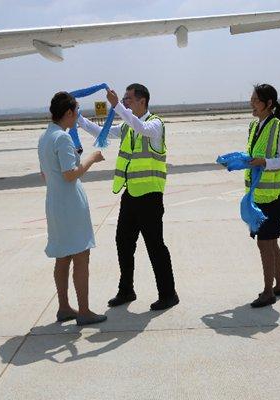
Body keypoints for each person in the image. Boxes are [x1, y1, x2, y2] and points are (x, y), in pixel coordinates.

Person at [78, 83, 179, 311]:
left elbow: (141, 127)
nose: (125, 102)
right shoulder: (128, 127)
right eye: (124, 99)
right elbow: (103, 132)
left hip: (151, 196)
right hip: (131, 195)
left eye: (129, 99)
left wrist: (116, 106)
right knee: (123, 243)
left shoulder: (154, 125)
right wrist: (80, 121)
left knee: (155, 245)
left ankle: (168, 293)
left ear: (142, 101)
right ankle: (126, 290)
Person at [38, 91, 107, 326]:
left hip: (55, 202)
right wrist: (91, 159)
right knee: (80, 255)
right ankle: (84, 311)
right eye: (76, 113)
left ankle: (64, 307)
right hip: (69, 205)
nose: (77, 117)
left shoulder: (46, 137)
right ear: (68, 113)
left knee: (62, 256)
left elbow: (46, 173)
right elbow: (70, 174)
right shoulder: (63, 138)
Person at [246, 84, 280, 308]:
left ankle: (267, 292)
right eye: (251, 99)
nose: (252, 104)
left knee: (265, 243)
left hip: (274, 196)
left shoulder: (277, 127)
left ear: (268, 104)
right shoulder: (255, 126)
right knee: (270, 243)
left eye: (256, 100)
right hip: (259, 195)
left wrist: (265, 162)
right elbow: (254, 155)